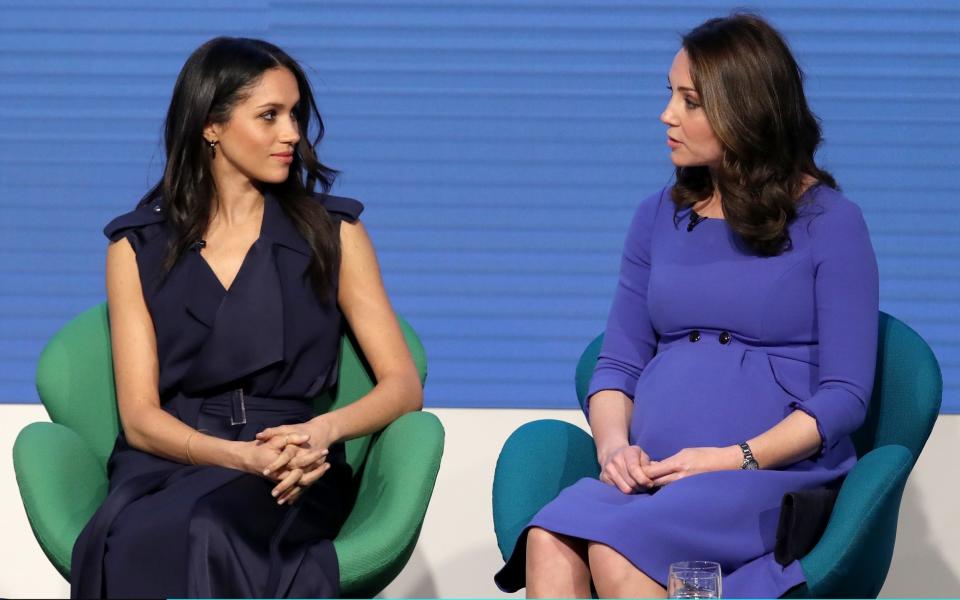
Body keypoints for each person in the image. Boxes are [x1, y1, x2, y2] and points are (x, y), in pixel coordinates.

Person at [495, 13, 879, 599]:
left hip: (764, 478)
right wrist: (614, 449)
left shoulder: (831, 223)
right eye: (669, 94)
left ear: (745, 108)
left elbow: (846, 397)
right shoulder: (658, 216)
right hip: (656, 475)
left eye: (690, 101)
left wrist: (735, 458)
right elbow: (617, 364)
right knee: (548, 537)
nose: (666, 115)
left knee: (616, 547)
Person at [70, 37, 423, 599]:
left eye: (295, 115)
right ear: (211, 125)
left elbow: (403, 386)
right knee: (138, 536)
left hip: (290, 462)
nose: (292, 134)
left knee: (213, 526)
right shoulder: (134, 245)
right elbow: (138, 417)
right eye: (269, 116)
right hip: (173, 458)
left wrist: (320, 432)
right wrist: (236, 456)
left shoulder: (335, 233)